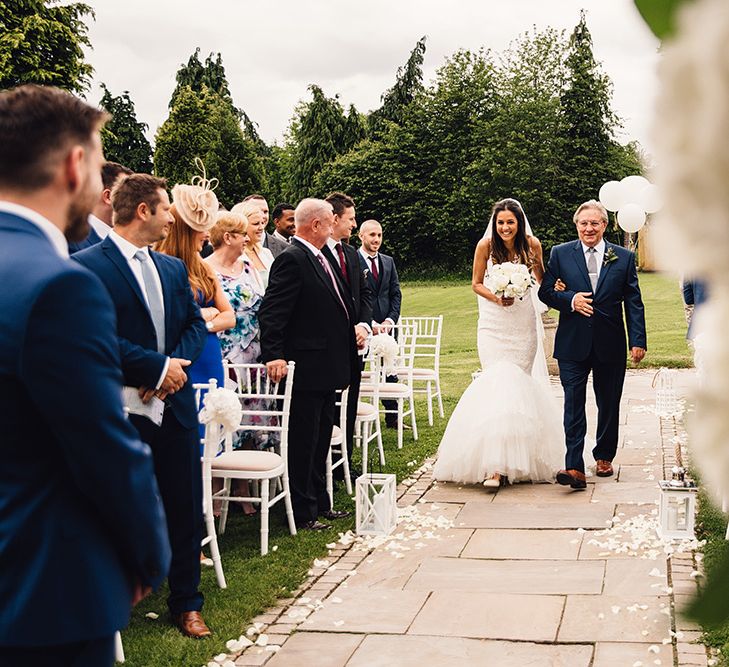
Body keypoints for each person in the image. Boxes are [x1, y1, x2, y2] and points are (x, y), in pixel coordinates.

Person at [0, 84, 170, 666]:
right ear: (75, 166)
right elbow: (100, 442)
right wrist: (146, 553)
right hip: (38, 586)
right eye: (101, 169)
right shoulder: (61, 285)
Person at [73, 173, 212, 638]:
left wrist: (174, 368)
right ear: (143, 211)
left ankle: (187, 602)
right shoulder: (88, 266)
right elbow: (91, 337)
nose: (172, 215)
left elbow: (195, 324)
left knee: (184, 505)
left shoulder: (171, 269)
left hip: (173, 407)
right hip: (118, 409)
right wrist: (154, 368)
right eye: (166, 207)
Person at [433, 198, 564, 487]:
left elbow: (541, 278)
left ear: (519, 223)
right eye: (501, 222)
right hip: (493, 324)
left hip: (522, 324)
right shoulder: (485, 246)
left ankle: (521, 459)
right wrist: (497, 297)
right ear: (495, 223)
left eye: (510, 222)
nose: (505, 227)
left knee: (519, 385)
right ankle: (494, 466)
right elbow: (476, 283)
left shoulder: (532, 245)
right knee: (497, 384)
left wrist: (554, 285)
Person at [259, 198, 360, 530]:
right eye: (330, 221)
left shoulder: (322, 255)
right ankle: (303, 511)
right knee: (303, 440)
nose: (334, 226)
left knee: (320, 439)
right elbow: (273, 312)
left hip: (327, 364)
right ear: (315, 225)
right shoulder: (292, 259)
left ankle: (321, 501)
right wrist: (274, 354)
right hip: (305, 365)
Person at [539, 199, 647, 489]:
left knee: (608, 403)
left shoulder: (622, 257)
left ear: (604, 225)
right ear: (576, 225)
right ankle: (574, 467)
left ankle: (603, 456)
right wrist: (569, 299)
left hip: (610, 342)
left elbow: (633, 303)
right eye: (583, 223)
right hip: (573, 343)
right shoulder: (560, 254)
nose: (589, 228)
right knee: (573, 404)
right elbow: (546, 292)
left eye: (594, 223)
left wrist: (638, 340)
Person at [205, 210, 278, 450]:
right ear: (227, 237)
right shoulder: (205, 269)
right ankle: (219, 482)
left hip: (254, 360)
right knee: (223, 425)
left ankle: (246, 486)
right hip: (224, 360)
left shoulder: (249, 267)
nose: (247, 238)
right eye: (241, 234)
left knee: (251, 423)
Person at [156, 178, 235, 399]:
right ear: (185, 230)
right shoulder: (159, 263)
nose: (208, 234)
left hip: (208, 356)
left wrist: (201, 323)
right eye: (202, 229)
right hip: (178, 355)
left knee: (209, 427)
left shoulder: (204, 267)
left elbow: (229, 317)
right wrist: (203, 315)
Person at [323, 192, 372, 476]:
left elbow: (364, 295)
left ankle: (345, 463)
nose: (354, 225)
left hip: (355, 342)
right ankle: (326, 462)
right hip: (331, 344)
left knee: (350, 402)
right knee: (330, 405)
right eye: (351, 219)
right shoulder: (319, 254)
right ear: (336, 218)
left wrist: (364, 326)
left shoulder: (351, 254)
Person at [357, 219, 402, 427]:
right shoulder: (353, 259)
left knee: (390, 372)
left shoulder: (388, 261)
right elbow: (354, 297)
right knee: (358, 370)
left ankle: (392, 417)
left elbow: (395, 294)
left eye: (379, 235)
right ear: (361, 236)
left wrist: (390, 320)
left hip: (387, 327)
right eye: (372, 235)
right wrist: (370, 322)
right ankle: (356, 416)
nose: (376, 239)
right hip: (363, 328)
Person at [68, 161, 132, 254]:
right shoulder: (72, 243)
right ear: (108, 197)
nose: (136, 202)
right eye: (129, 194)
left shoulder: (130, 244)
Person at [232, 199, 276, 287]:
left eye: (262, 223)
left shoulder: (266, 253)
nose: (261, 228)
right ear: (241, 226)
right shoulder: (233, 257)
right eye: (256, 224)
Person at [241, 193, 289, 258]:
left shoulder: (285, 248)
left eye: (265, 212)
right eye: (257, 211)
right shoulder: (232, 248)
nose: (262, 216)